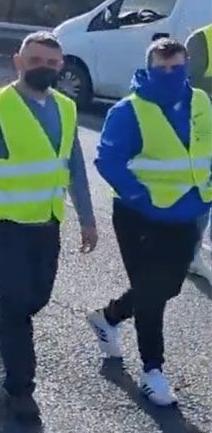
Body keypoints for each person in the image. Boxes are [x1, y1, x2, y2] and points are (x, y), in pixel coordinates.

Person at [0, 31, 98, 425]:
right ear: (19, 61)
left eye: (53, 63)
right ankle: (20, 390)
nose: (45, 69)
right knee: (18, 308)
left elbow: (75, 169)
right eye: (36, 60)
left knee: (37, 298)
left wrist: (86, 218)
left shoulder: (66, 108)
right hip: (9, 224)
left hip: (48, 221)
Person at [86, 38, 210, 407]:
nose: (169, 74)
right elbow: (107, 160)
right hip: (139, 217)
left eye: (176, 67)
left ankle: (108, 316)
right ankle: (152, 372)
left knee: (168, 287)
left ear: (188, 66)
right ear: (149, 67)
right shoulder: (129, 111)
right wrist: (141, 198)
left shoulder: (202, 102)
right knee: (152, 293)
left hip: (187, 214)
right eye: (162, 68)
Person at [184, 22, 212, 281]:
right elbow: (188, 86)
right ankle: (191, 255)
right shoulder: (202, 39)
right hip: (203, 136)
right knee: (202, 196)